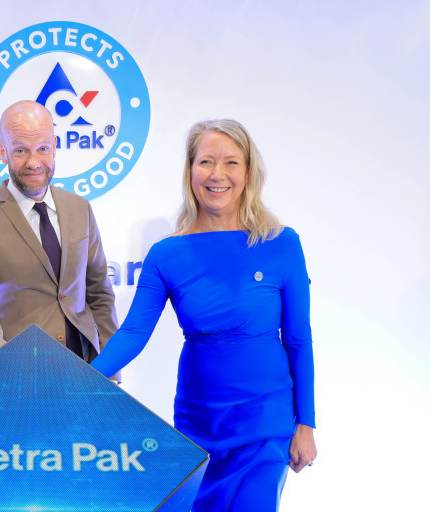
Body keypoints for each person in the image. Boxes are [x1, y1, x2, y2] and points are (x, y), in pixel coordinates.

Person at [91, 119, 316, 511]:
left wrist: (306, 424)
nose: (217, 174)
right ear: (190, 170)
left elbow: (298, 341)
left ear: (248, 172)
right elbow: (133, 334)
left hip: (265, 423)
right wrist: (80, 383)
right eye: (206, 161)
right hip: (197, 425)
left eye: (231, 162)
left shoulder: (282, 243)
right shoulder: (166, 254)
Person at [0, 100, 118, 368]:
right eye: (20, 150)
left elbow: (100, 294)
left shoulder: (80, 209)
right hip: (22, 375)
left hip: (86, 371)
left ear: (54, 146)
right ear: (3, 152)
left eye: (43, 149)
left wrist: (110, 371)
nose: (34, 163)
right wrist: (6, 373)